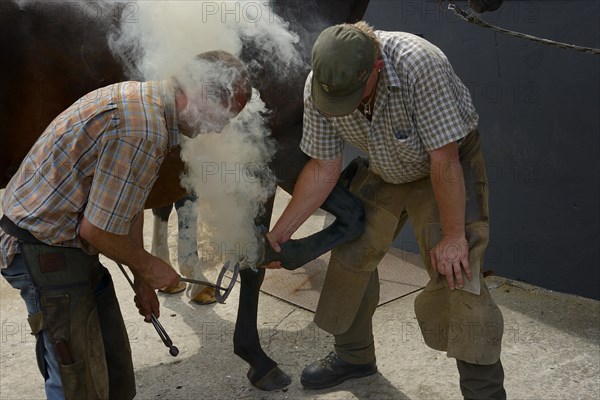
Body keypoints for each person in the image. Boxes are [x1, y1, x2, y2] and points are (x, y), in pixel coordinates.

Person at [266, 22, 506, 399]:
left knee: (459, 274)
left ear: (375, 67)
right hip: (384, 165)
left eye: (352, 95)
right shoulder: (322, 83)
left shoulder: (419, 65)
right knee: (350, 254)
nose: (344, 105)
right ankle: (354, 356)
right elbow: (324, 168)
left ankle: (484, 393)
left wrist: (454, 236)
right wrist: (281, 233)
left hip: (444, 167)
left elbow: (444, 161)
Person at [0, 50, 251, 400]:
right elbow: (96, 230)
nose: (221, 127)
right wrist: (151, 265)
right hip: (40, 246)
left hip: (68, 242)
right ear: (198, 94)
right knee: (80, 383)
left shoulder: (151, 109)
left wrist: (143, 279)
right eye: (224, 115)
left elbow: (127, 206)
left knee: (116, 374)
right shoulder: (142, 128)